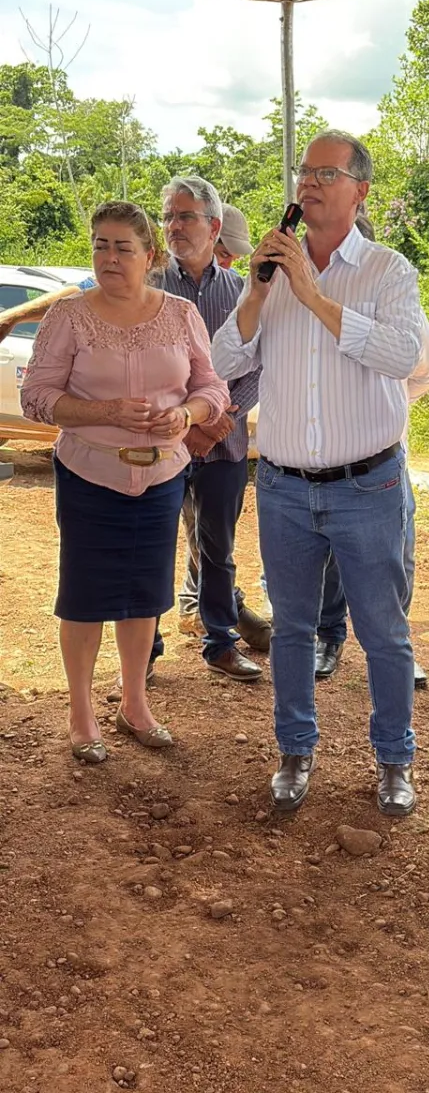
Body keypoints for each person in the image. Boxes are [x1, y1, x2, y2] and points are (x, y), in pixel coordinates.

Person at [212, 130, 423, 817]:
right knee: (294, 628)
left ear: (359, 190)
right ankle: (294, 751)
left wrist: (311, 292)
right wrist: (258, 292)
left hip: (369, 485)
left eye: (325, 172)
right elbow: (219, 365)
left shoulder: (388, 271)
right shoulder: (272, 271)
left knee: (383, 632)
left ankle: (393, 760)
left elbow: (399, 356)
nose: (308, 182)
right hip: (282, 486)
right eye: (304, 171)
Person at [19, 201, 229, 763]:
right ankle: (81, 712)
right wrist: (104, 411)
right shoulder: (68, 316)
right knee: (86, 597)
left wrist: (186, 416)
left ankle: (134, 703)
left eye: (122, 247)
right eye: (100, 245)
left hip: (162, 477)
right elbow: (35, 397)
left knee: (145, 596)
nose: (109, 257)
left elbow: (213, 389)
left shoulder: (182, 314)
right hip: (90, 474)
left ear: (149, 256)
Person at [152, 179, 269, 683]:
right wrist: (184, 427)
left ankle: (220, 641)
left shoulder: (243, 292)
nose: (175, 227)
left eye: (187, 217)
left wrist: (219, 422)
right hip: (160, 441)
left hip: (224, 444)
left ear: (214, 227)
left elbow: (258, 366)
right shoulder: (150, 284)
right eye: (170, 217)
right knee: (154, 543)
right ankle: (147, 648)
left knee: (217, 546)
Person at [317, 303, 429, 688]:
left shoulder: (399, 303)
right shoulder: (310, 301)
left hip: (386, 459)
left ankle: (395, 646)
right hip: (325, 455)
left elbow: (426, 373)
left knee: (397, 552)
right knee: (331, 553)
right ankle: (328, 636)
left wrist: (388, 406)